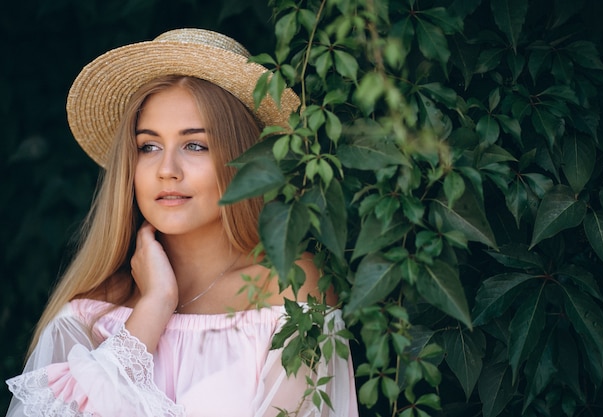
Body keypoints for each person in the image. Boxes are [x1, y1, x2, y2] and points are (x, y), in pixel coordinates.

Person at [5, 28, 358, 417]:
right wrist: (153, 308)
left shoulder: (289, 291)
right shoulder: (89, 313)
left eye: (195, 145)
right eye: (149, 146)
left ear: (246, 159)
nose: (167, 170)